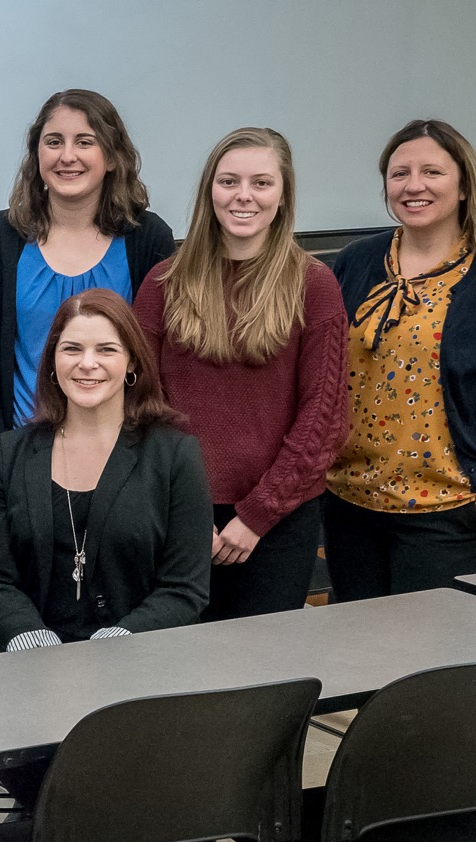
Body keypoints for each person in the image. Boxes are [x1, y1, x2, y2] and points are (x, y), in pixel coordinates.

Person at [323, 119, 476, 598]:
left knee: (426, 664)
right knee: (355, 656)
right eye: (399, 173)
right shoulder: (356, 261)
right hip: (349, 503)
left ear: (464, 184)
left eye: (432, 172)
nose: (414, 185)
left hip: (447, 509)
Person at [136, 127, 350, 623]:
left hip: (275, 523)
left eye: (261, 182)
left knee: (260, 677)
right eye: (229, 181)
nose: (243, 196)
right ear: (210, 190)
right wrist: (183, 514)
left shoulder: (314, 286)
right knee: (171, 674)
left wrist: (256, 516)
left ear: (283, 194)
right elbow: (138, 401)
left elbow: (324, 417)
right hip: (173, 516)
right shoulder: (163, 282)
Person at [0, 286, 209, 653]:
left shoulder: (175, 456)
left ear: (131, 363)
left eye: (106, 350)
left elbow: (184, 589)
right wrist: (34, 641)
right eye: (72, 349)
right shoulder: (6, 454)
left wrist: (115, 645)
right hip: (21, 666)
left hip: (137, 665)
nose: (87, 363)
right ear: (52, 361)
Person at [0, 89, 176, 476]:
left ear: (111, 157)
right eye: (54, 142)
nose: (67, 156)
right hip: (20, 456)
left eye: (85, 142)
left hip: (125, 459)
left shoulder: (148, 239)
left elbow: (160, 356)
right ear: (37, 155)